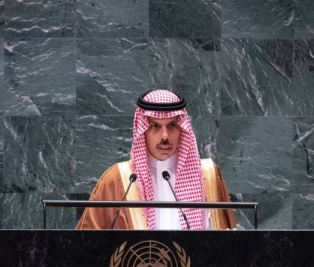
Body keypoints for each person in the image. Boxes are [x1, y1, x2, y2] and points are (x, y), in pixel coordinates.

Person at [76, 89, 235, 230]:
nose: (165, 136)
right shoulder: (117, 180)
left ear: (182, 129)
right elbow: (86, 246)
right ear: (143, 130)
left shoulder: (208, 176)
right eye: (155, 126)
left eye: (172, 126)